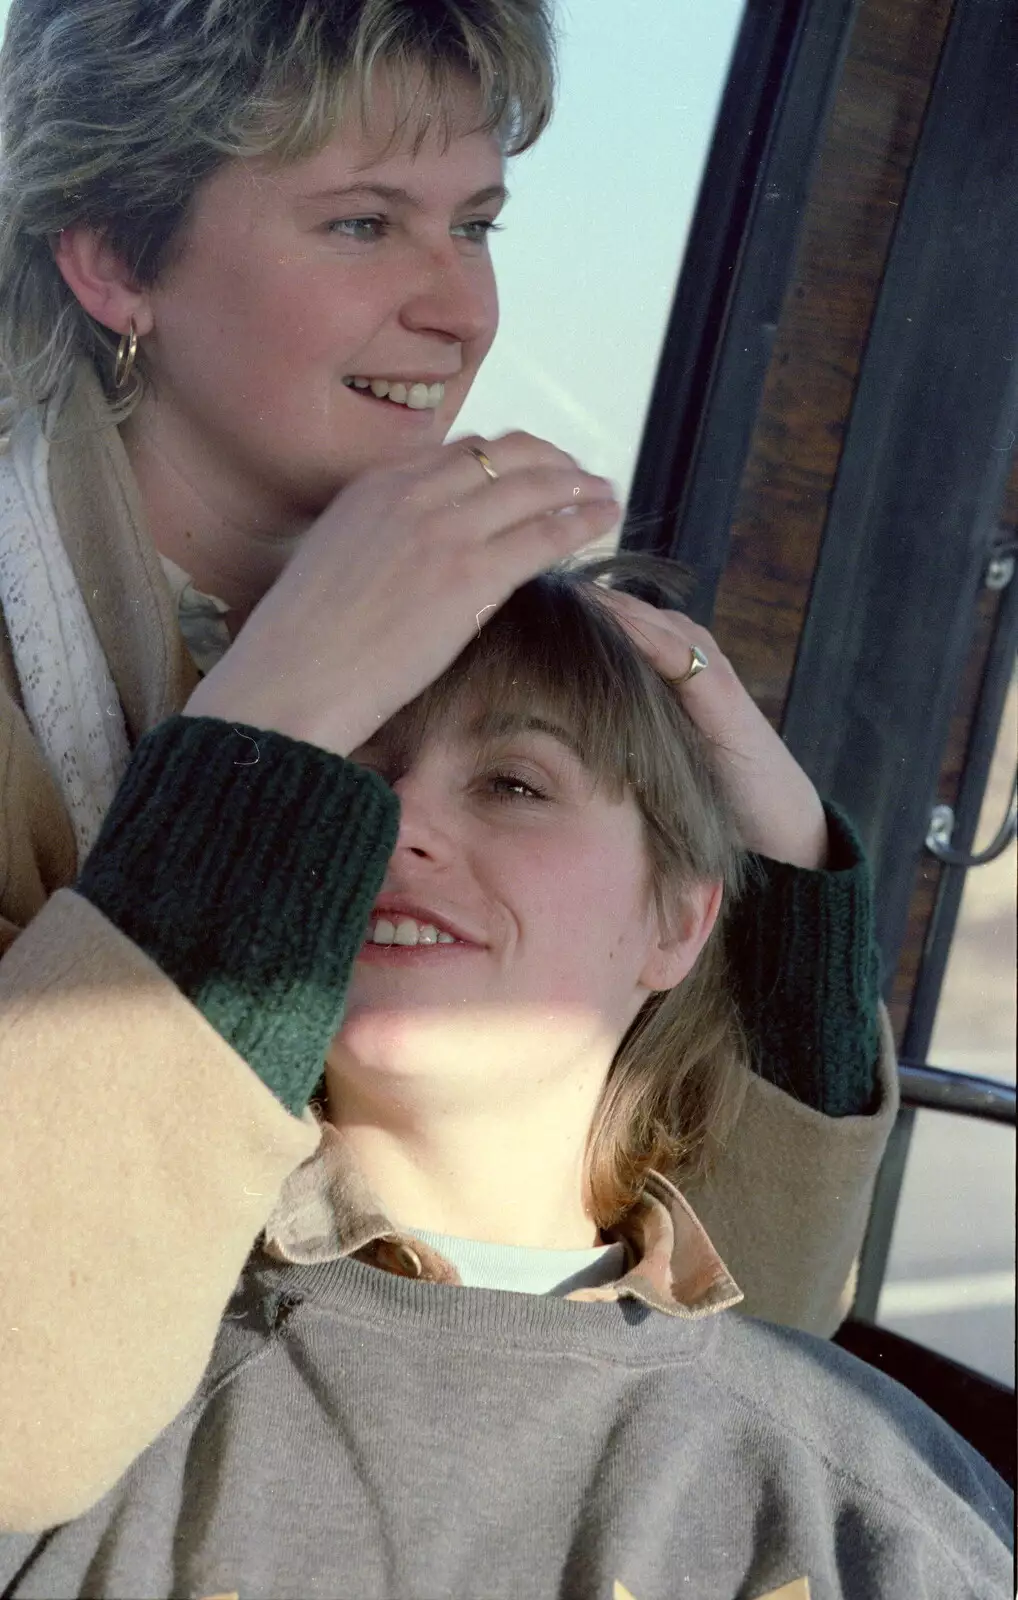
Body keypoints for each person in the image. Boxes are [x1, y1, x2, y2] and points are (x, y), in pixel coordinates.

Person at [0, 0, 893, 1435]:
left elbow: (735, 1337)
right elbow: (23, 1388)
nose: (457, 311)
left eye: (472, 227)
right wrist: (277, 729)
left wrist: (776, 874)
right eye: (362, 225)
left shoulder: (509, 655)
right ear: (113, 261)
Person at [0, 559, 1010, 1596]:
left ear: (676, 921)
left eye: (514, 783)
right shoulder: (84, 1413)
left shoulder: (875, 1516)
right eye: (355, 778)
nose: (398, 825)